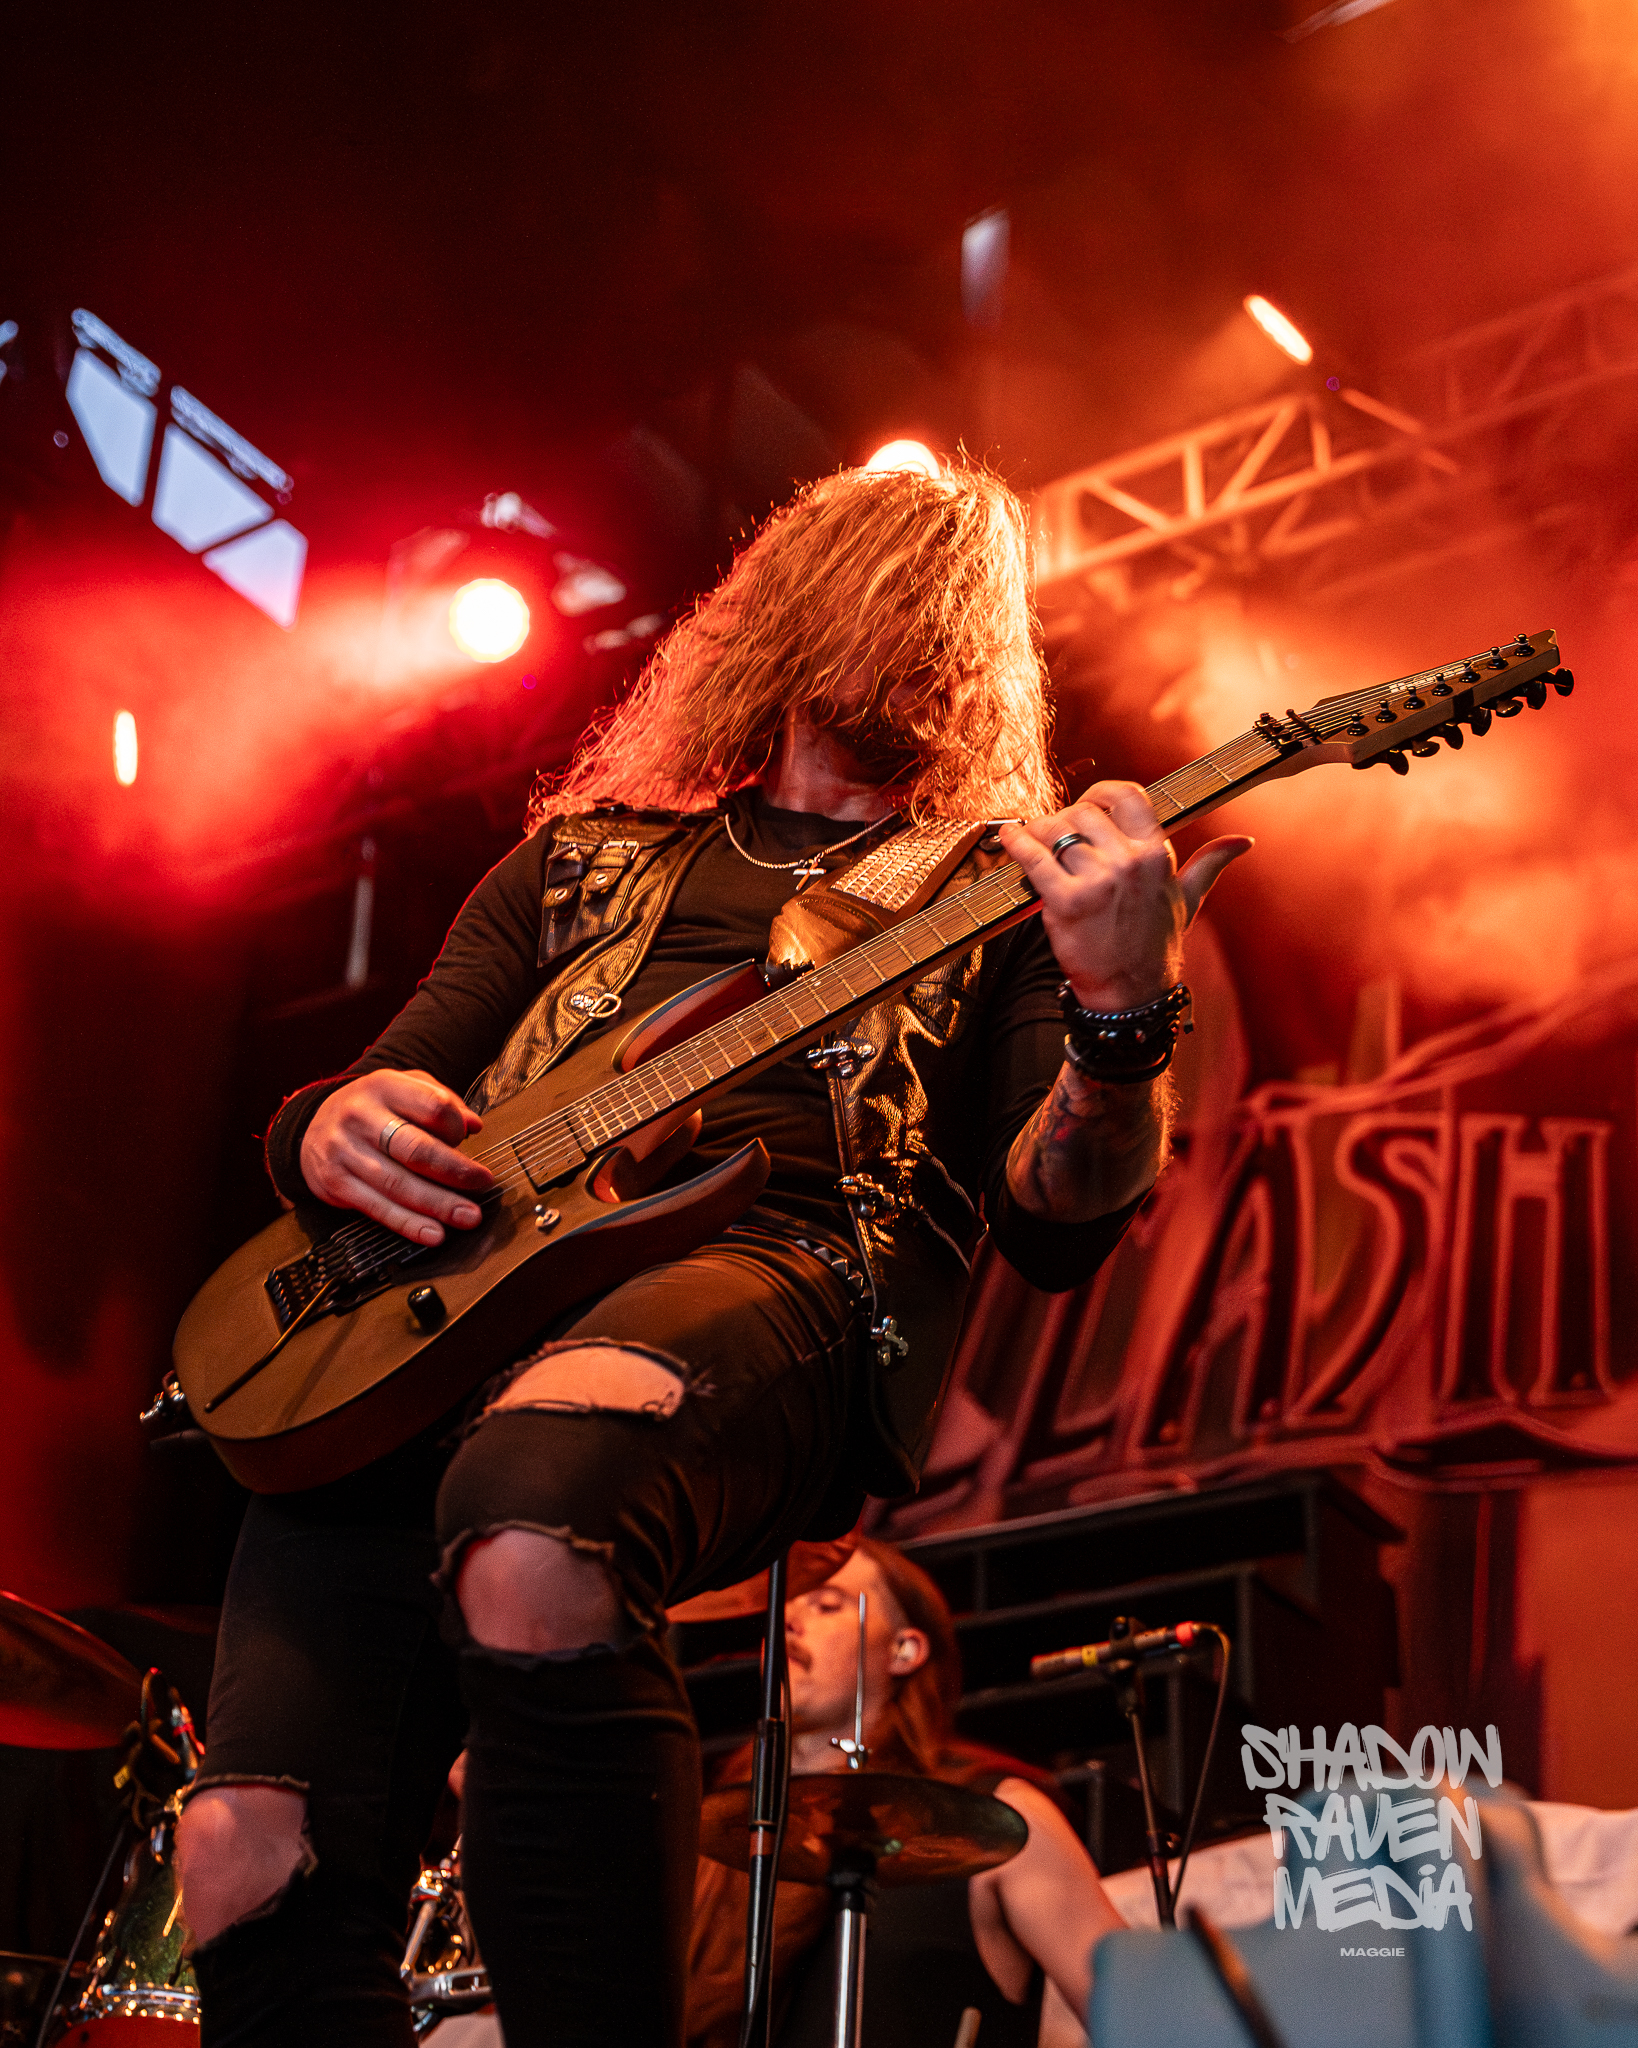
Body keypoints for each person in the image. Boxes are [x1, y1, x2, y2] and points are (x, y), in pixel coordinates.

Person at [172, 458, 1248, 2048]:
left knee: (538, 1525)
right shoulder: (578, 861)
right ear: (789, 613)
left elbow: (1061, 1213)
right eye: (890, 595)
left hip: (783, 1272)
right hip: (420, 1316)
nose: (931, 643)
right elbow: (394, 1083)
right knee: (239, 1850)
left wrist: (1120, 1015)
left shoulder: (998, 892)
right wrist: (322, 1130)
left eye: (960, 619)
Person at [686, 1538, 1124, 2048]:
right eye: (782, 1606)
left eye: (827, 1603)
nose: (788, 1620)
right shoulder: (717, 1842)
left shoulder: (1001, 1820)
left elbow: (1157, 2024)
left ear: (904, 1649)